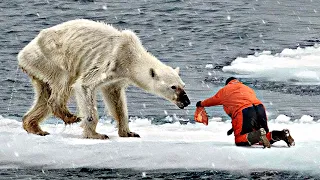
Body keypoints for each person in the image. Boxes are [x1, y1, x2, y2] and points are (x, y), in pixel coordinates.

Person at [196, 77, 295, 148]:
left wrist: (201, 103)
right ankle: (282, 134)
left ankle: (258, 134)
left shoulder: (225, 90)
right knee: (264, 135)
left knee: (240, 140)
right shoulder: (246, 88)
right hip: (260, 109)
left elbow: (214, 100)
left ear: (228, 83)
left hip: (244, 111)